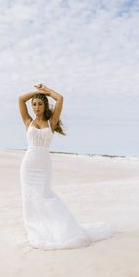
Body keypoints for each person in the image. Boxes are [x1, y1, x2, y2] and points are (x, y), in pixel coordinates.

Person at [18, 83, 115, 250]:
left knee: (46, 196)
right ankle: (37, 228)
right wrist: (36, 93)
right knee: (30, 198)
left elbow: (60, 98)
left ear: (45, 105)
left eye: (40, 104)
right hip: (28, 165)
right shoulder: (28, 121)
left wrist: (46, 91)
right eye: (34, 104)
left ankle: (62, 229)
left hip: (44, 166)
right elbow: (21, 99)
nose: (36, 107)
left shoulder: (51, 122)